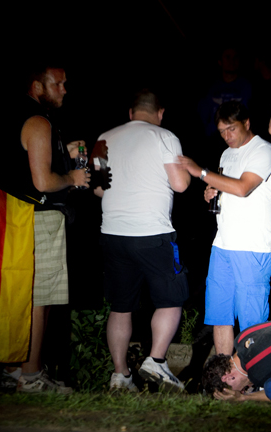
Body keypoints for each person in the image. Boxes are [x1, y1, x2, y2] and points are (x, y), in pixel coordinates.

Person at [0, 63, 89, 394]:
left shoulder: (11, 115)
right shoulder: (38, 121)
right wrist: (73, 177)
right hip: (38, 216)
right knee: (41, 297)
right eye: (57, 84)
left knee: (22, 295)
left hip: (13, 216)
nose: (64, 89)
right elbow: (43, 181)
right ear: (37, 86)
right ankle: (31, 376)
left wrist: (67, 152)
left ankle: (15, 370)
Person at [96, 89, 191, 393]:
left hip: (113, 233)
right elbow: (180, 184)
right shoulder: (164, 136)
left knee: (121, 306)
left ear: (130, 112)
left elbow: (97, 189)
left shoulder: (103, 138)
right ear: (160, 113)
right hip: (152, 233)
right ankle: (157, 360)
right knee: (171, 297)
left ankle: (121, 375)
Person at [179, 101, 271, 357]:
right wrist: (212, 190)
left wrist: (201, 172)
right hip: (222, 243)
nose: (226, 136)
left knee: (252, 321)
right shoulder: (225, 154)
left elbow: (243, 188)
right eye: (222, 131)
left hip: (252, 245)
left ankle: (253, 376)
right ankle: (223, 372)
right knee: (219, 314)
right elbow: (227, 186)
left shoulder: (263, 150)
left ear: (246, 123)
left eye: (231, 129)